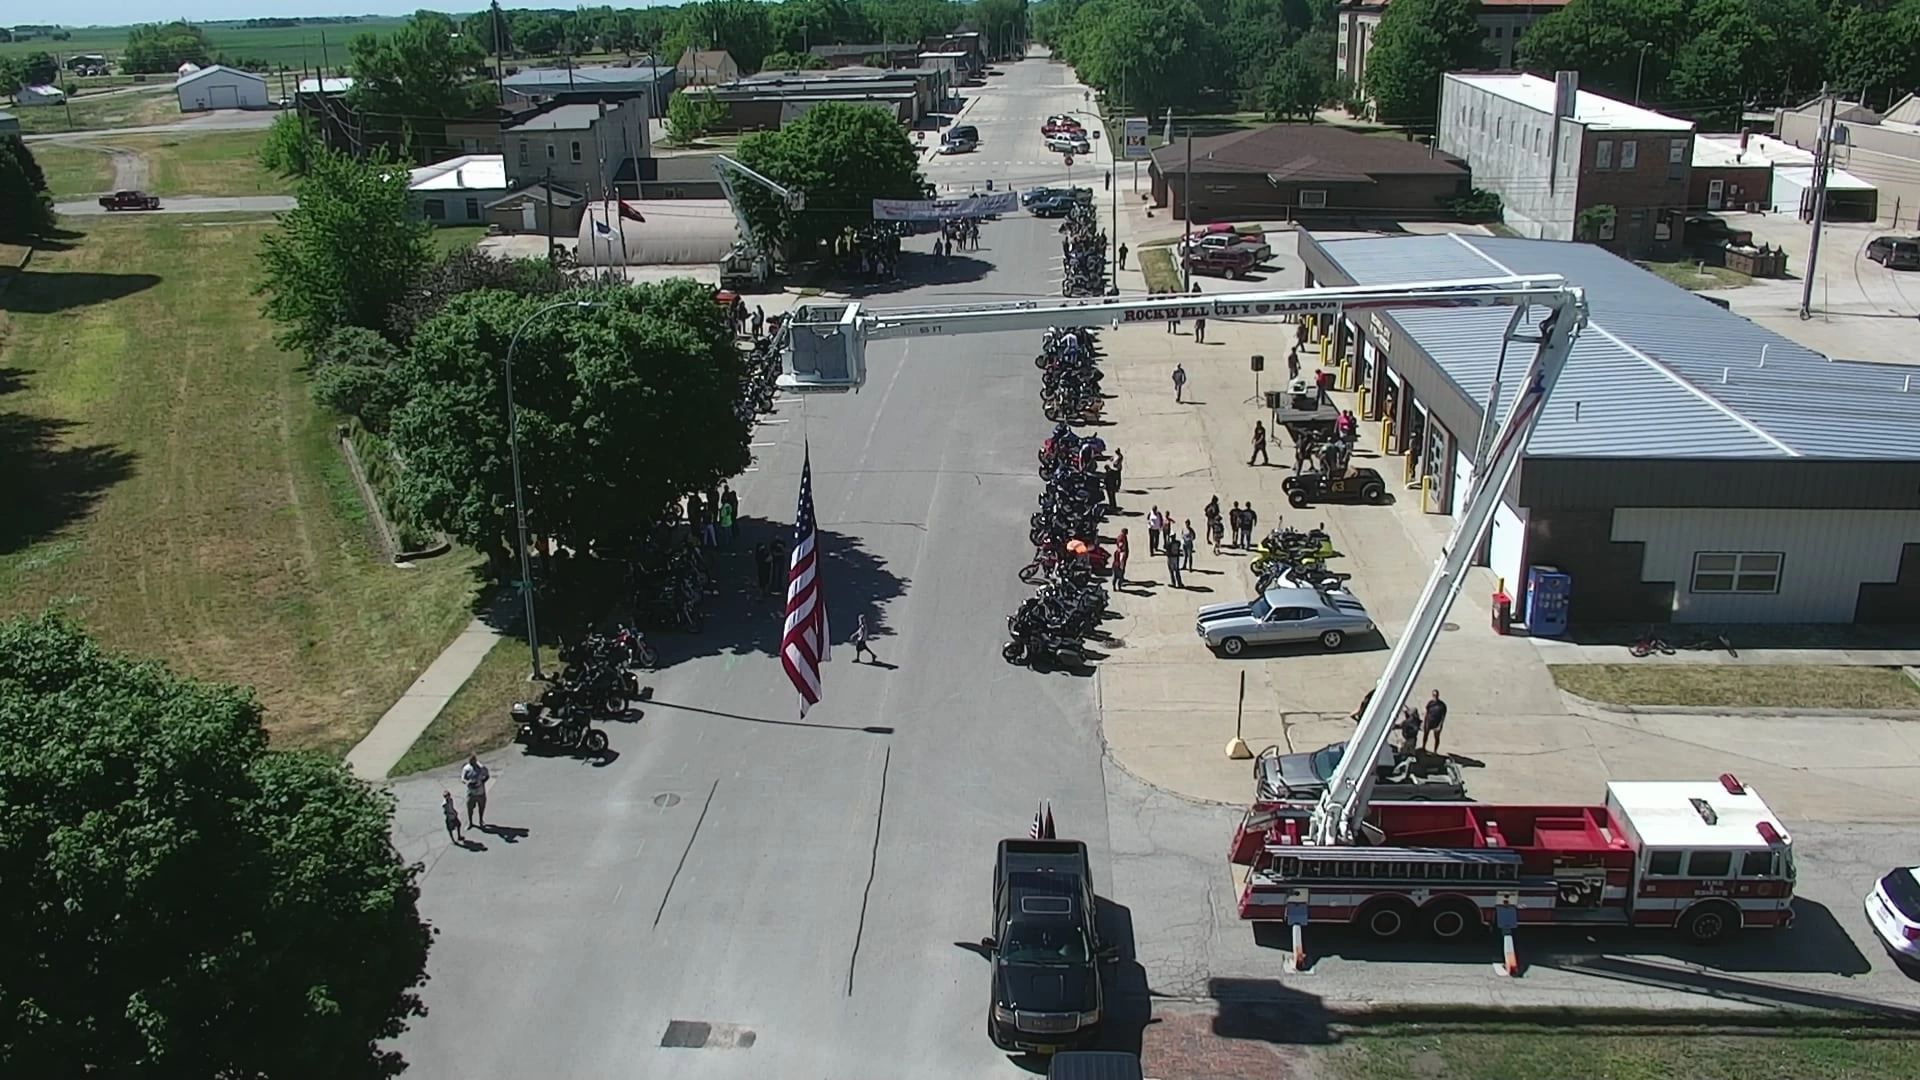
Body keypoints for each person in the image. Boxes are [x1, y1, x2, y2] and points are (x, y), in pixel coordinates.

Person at [461, 753, 490, 830]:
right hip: (471, 793)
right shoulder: (466, 768)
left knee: (481, 807)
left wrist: (483, 781)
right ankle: (470, 823)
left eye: (473, 761)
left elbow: (487, 775)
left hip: (480, 792)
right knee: (469, 808)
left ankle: (481, 821)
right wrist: (467, 782)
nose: (471, 762)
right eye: (470, 761)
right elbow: (463, 779)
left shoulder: (481, 768)